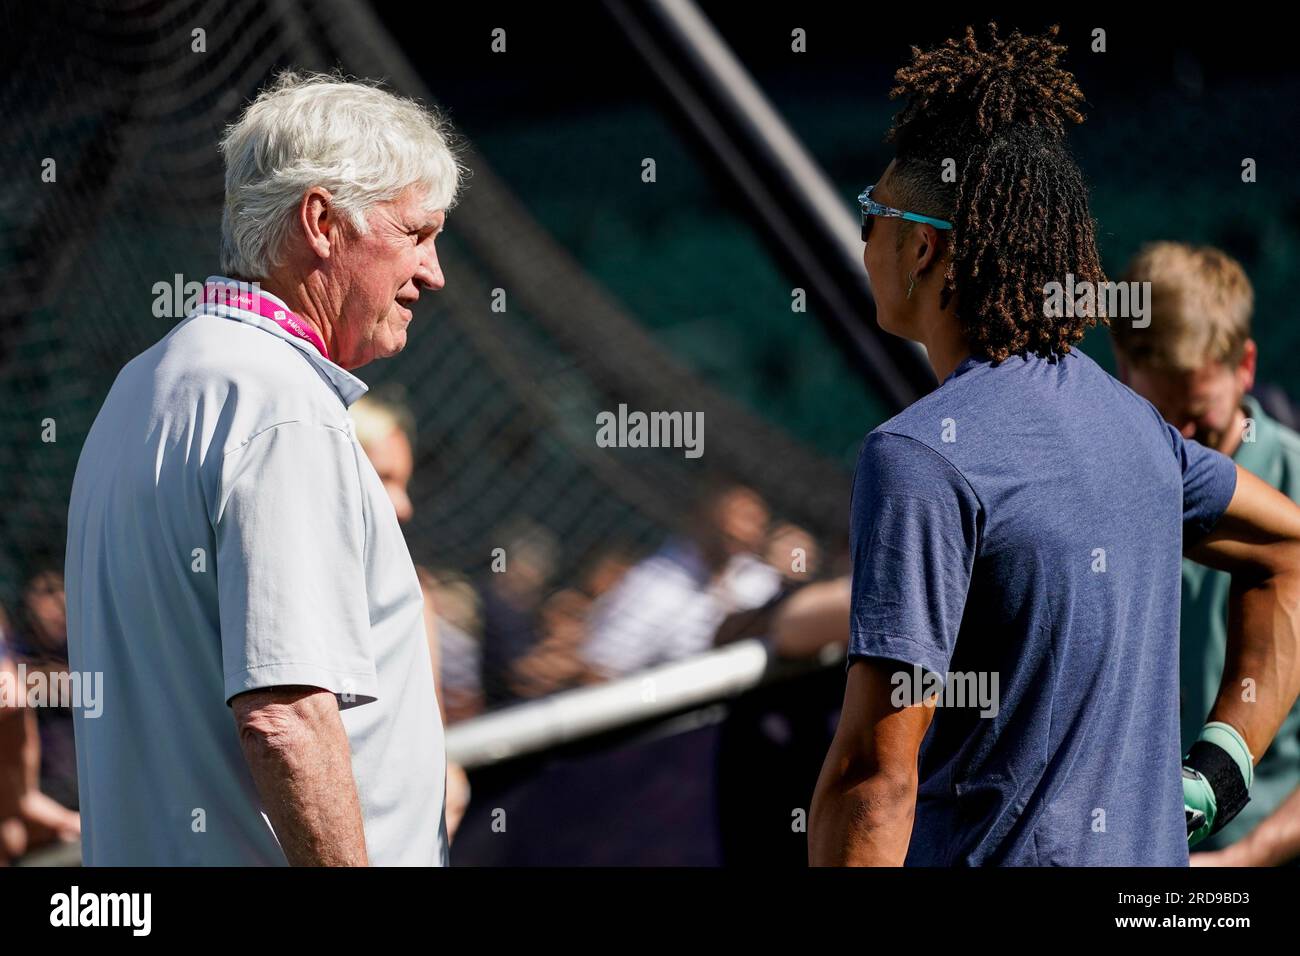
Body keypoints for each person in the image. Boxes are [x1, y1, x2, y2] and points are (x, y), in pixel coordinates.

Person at [808, 25, 1300, 866]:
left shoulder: (917, 455)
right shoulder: (1133, 424)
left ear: (924, 248)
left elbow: (874, 779)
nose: (863, 240)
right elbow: (1289, 545)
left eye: (872, 215)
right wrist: (1223, 763)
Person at [65, 70, 464, 865]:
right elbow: (284, 716)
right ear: (320, 221)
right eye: (416, 233)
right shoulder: (281, 408)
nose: (434, 272)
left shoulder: (141, 388)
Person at [1114, 242, 1300, 865]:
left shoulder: (1293, 486)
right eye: (1162, 424)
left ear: (1244, 366)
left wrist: (1240, 863)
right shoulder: (1103, 484)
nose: (1182, 450)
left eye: (1197, 424)